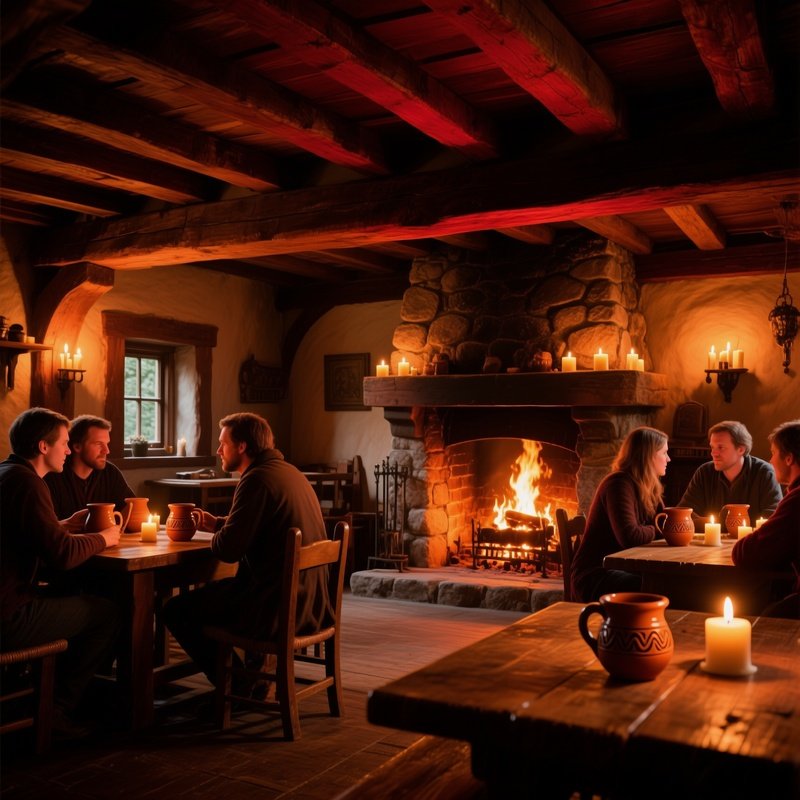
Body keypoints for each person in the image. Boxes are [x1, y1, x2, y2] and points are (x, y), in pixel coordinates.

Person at [162, 412, 333, 687]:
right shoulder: (288, 472)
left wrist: (216, 535)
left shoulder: (256, 479)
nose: (218, 451)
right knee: (211, 598)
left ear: (242, 446)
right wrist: (217, 524)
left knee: (176, 609)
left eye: (223, 444)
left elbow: (228, 550)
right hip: (312, 603)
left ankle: (239, 686)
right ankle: (249, 680)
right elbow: (261, 527)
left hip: (275, 609)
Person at [0, 408, 121, 736]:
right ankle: (57, 708)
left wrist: (60, 525)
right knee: (107, 613)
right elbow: (64, 556)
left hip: (9, 601)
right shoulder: (29, 483)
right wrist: (105, 538)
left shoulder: (7, 473)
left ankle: (44, 692)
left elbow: (28, 535)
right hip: (8, 616)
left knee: (71, 596)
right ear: (43, 447)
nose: (68, 451)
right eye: (65, 443)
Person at [570, 426, 670, 603]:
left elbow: (666, 524)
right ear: (648, 456)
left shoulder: (648, 487)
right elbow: (630, 537)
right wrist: (655, 529)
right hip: (596, 574)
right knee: (657, 586)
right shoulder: (618, 484)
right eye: (664, 453)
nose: (668, 459)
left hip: (625, 569)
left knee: (669, 582)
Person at [732, 420, 800, 618]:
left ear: (789, 458)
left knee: (762, 619)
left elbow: (746, 554)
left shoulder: (797, 501)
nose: (770, 460)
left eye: (773, 453)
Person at [679, 420, 782, 530]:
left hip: (753, 540)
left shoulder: (765, 473)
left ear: (741, 449)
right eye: (712, 447)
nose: (713, 453)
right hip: (710, 541)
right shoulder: (704, 472)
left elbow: (775, 518)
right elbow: (683, 515)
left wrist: (715, 522)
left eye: (721, 447)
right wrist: (724, 522)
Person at [45, 415, 134, 523]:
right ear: (77, 446)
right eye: (98, 444)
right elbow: (47, 527)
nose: (106, 451)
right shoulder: (53, 476)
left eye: (106, 444)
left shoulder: (110, 473)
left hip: (108, 534)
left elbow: (132, 507)